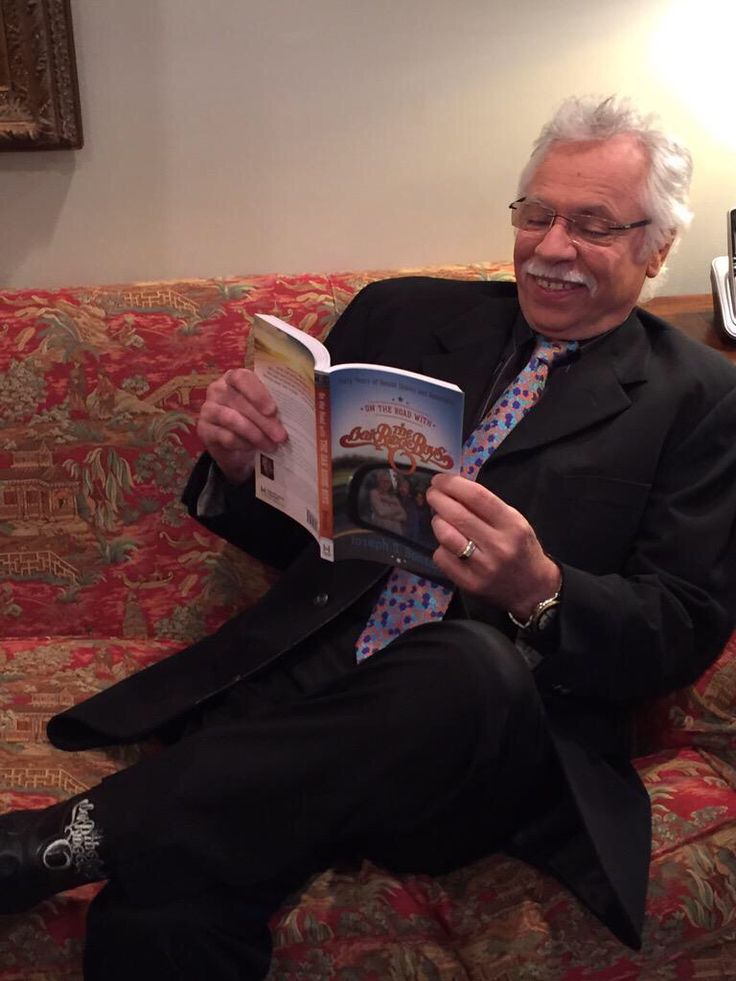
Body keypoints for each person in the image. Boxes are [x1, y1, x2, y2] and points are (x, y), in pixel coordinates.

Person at [2, 95, 736, 980]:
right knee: (169, 902)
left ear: (657, 247)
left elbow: (682, 622)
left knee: (466, 662)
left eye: (592, 225)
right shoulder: (399, 316)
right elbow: (303, 536)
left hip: (480, 732)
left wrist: (540, 590)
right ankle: (98, 840)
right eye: (536, 213)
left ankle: (47, 840)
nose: (550, 248)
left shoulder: (700, 400)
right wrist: (243, 468)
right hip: (303, 684)